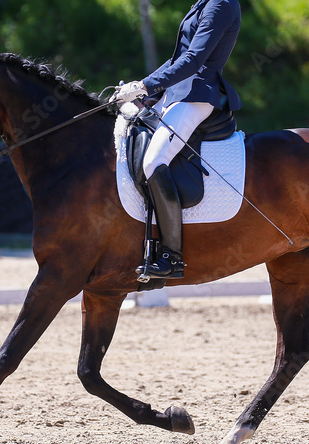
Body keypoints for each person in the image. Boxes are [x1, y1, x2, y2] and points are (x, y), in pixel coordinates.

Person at [115, 0, 243, 280]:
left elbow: (195, 59)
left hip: (197, 95)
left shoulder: (221, 4)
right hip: (175, 94)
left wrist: (149, 84)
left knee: (154, 160)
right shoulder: (203, 3)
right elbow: (177, 57)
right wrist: (145, 85)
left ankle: (172, 257)